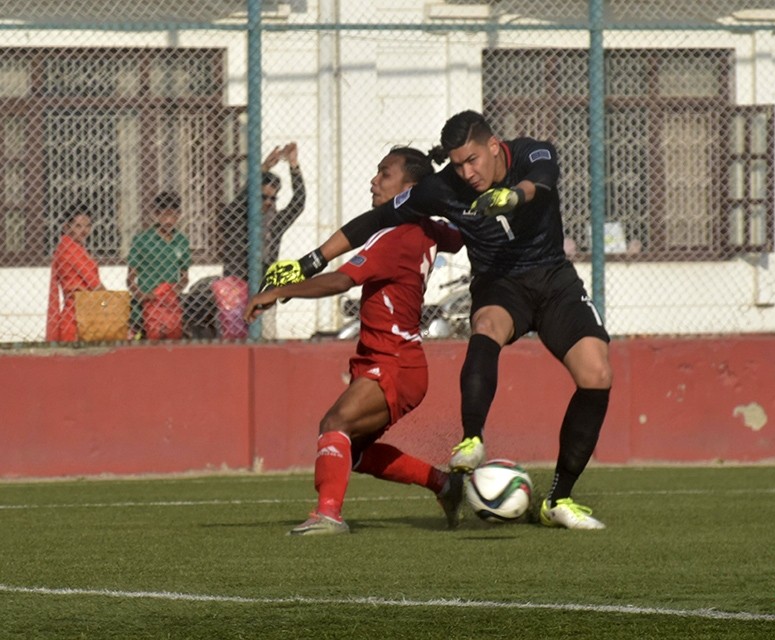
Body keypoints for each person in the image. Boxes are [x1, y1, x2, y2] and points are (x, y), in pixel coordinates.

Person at [263, 110, 613, 530]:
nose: (466, 173)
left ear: (493, 145)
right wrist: (309, 262)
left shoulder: (531, 152)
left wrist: (513, 196)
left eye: (473, 161)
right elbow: (376, 219)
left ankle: (558, 499)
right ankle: (472, 438)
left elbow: (541, 182)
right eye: (457, 164)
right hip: (499, 283)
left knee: (596, 374)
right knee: (486, 327)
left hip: (554, 278)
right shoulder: (441, 188)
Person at [245, 147, 465, 536]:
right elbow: (455, 237)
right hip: (396, 360)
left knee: (335, 423)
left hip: (395, 361)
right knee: (356, 453)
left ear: (410, 188)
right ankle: (445, 485)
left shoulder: (396, 237)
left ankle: (328, 514)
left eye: (385, 174)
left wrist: (282, 291)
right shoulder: (425, 229)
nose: (374, 181)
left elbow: (342, 280)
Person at [221, 142, 306, 282]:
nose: (268, 202)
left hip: (264, 283)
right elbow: (241, 198)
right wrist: (264, 168)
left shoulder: (275, 222)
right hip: (236, 283)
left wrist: (294, 165)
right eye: (263, 197)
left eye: (273, 198)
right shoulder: (237, 217)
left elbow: (299, 203)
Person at [127, 192, 191, 339]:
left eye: (173, 216)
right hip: (146, 304)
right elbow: (130, 279)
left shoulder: (182, 241)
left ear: (179, 215)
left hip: (170, 306)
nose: (169, 221)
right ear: (156, 215)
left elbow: (185, 277)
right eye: (165, 215)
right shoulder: (142, 240)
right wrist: (142, 296)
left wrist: (174, 291)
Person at [46, 204, 105, 341]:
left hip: (82, 312)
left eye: (87, 226)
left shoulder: (68, 247)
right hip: (78, 317)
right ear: (67, 227)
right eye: (78, 226)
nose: (84, 231)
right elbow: (95, 285)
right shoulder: (71, 250)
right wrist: (110, 304)